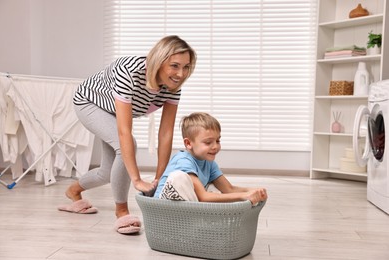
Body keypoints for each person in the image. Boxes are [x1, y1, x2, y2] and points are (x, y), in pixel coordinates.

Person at [57, 35, 197, 234]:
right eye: (175, 65)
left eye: (186, 67)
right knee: (127, 145)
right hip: (90, 103)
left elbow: (165, 133)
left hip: (113, 109)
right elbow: (124, 132)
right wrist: (137, 180)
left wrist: (160, 178)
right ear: (159, 60)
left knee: (107, 172)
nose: (180, 73)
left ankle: (74, 191)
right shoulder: (130, 72)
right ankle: (121, 212)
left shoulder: (173, 87)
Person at [153, 112, 268, 205]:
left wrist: (253, 191)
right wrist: (243, 196)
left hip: (185, 207)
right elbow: (203, 197)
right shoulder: (183, 161)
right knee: (179, 177)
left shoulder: (209, 162)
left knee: (214, 190)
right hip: (164, 208)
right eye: (208, 142)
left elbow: (229, 189)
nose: (215, 146)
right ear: (188, 143)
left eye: (218, 140)